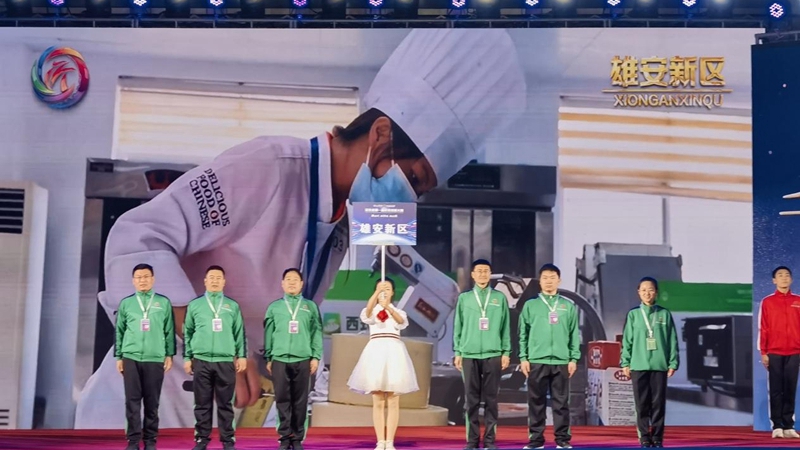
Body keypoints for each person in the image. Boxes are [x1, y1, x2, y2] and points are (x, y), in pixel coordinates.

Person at [75, 29, 527, 429]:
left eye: (418, 192)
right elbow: (136, 238)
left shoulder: (339, 220)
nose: (409, 198)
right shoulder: (270, 167)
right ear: (381, 136)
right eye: (414, 179)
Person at [348, 278, 419, 450]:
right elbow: (367, 314)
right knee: (378, 400)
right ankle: (380, 441)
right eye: (380, 288)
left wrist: (388, 307)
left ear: (393, 292)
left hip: (394, 353)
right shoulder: (371, 311)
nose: (384, 291)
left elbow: (401, 322)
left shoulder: (399, 312)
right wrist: (376, 297)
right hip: (376, 353)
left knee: (393, 400)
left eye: (387, 288)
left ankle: (390, 441)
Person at [183, 266, 247, 450]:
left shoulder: (232, 306)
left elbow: (239, 333)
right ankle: (202, 439)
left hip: (225, 361)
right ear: (205, 281)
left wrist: (242, 356)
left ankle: (227, 440)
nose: (215, 281)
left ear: (224, 282)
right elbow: (188, 333)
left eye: (219, 278)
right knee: (202, 403)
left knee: (225, 403)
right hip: (201, 360)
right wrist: (187, 357)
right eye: (211, 277)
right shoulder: (195, 305)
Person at [519, 264, 580, 450]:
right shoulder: (530, 305)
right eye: (545, 278)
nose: (548, 281)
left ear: (559, 280)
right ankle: (536, 440)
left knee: (561, 403)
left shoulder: (568, 306)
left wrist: (573, 359)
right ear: (540, 281)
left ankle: (562, 440)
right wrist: (524, 358)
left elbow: (574, 334)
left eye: (552, 277)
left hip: (561, 361)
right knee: (536, 402)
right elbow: (523, 334)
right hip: (537, 360)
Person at [115, 263, 175, 450]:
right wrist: (119, 357)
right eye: (139, 277)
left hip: (155, 358)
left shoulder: (163, 303)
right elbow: (119, 331)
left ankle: (150, 441)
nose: (142, 280)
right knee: (132, 401)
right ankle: (133, 441)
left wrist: (169, 354)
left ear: (153, 279)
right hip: (131, 357)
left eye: (146, 277)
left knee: (152, 402)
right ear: (133, 281)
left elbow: (169, 330)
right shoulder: (126, 303)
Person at [452, 259, 511, 450]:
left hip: (493, 354)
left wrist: (505, 352)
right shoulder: (465, 298)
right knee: (471, 401)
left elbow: (505, 327)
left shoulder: (499, 298)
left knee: (492, 400)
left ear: (490, 274)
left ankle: (490, 440)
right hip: (469, 354)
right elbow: (458, 326)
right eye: (479, 271)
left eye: (486, 271)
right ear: (473, 274)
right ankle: (472, 440)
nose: (483, 274)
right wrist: (458, 352)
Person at [264, 268, 323, 450]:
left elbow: (316, 333)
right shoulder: (274, 307)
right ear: (282, 284)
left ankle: (297, 438)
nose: (291, 282)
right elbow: (269, 334)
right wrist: (269, 357)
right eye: (288, 279)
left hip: (303, 358)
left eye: (295, 279)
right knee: (282, 399)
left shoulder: (310, 307)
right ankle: (284, 437)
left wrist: (315, 357)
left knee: (300, 401)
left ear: (301, 284)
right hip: (280, 359)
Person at [620, 277, 679, 448]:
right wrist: (625, 362)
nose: (647, 293)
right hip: (638, 365)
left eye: (651, 290)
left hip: (659, 365)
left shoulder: (664, 314)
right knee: (641, 404)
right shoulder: (633, 314)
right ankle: (644, 437)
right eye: (644, 290)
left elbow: (672, 340)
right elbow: (627, 340)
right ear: (638, 292)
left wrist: (673, 363)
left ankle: (658, 437)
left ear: (656, 293)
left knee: (658, 404)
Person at [758, 266, 800, 439]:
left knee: (790, 388)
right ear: (774, 280)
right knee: (776, 389)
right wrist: (763, 351)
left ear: (791, 279)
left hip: (795, 351)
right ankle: (777, 425)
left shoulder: (798, 300)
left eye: (787, 275)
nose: (784, 277)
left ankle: (789, 425)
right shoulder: (767, 302)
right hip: (774, 351)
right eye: (780, 275)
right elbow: (763, 327)